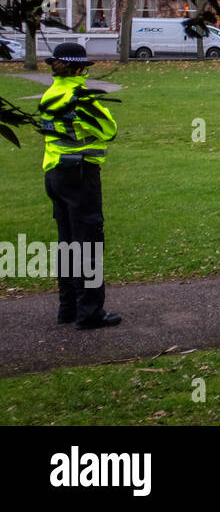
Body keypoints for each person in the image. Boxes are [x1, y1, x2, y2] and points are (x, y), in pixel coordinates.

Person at [39, 44, 120, 330]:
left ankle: (68, 307)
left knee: (67, 242)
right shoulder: (80, 98)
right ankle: (90, 312)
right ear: (77, 69)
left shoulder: (50, 95)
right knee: (88, 241)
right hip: (80, 175)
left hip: (54, 173)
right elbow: (108, 130)